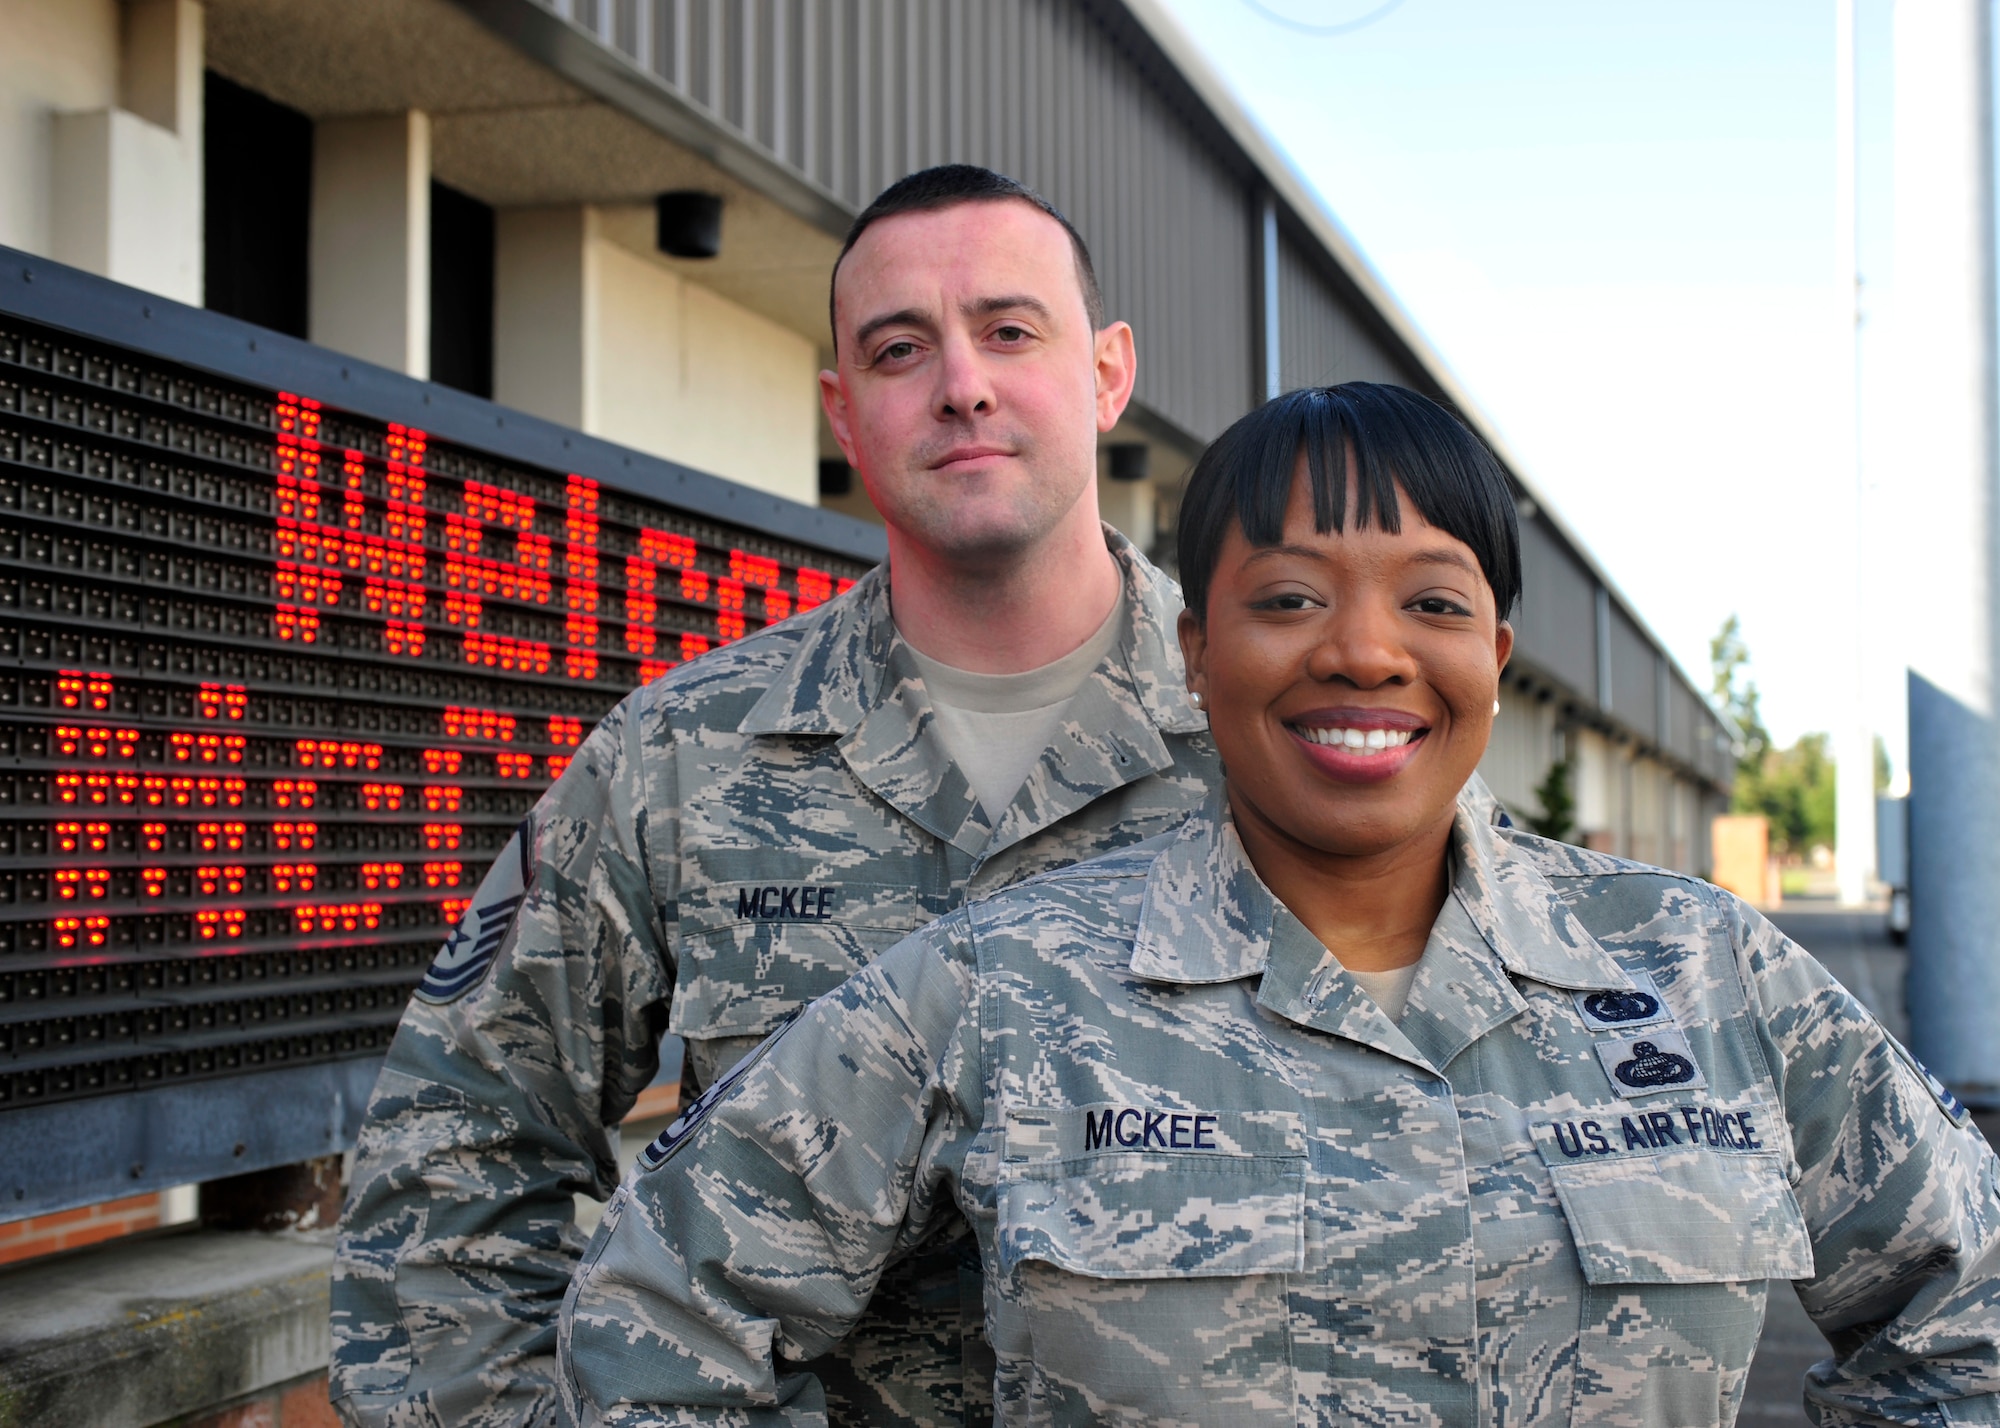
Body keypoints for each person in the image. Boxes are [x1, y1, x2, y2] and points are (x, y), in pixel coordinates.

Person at [559, 382, 2000, 1427]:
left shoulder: (1702, 974)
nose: (1366, 653)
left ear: (1496, 653)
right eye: (1292, 599)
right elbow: (658, 1322)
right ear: (1196, 654)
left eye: (1432, 604)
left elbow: (1972, 1309)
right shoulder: (1002, 987)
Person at [329, 164, 1226, 1428]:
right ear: (842, 411)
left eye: (1009, 330)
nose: (960, 382)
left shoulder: (1265, 737)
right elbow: (457, 1143)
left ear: (1107, 371)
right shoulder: (684, 754)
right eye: (898, 349)